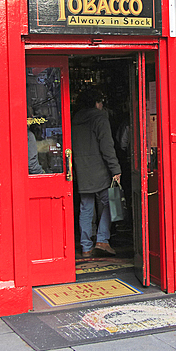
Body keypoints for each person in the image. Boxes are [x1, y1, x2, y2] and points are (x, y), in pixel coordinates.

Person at [71, 87, 122, 258]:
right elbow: (107, 146)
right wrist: (115, 169)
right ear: (96, 102)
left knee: (85, 208)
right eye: (100, 102)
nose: (102, 105)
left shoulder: (75, 119)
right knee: (109, 204)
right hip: (100, 170)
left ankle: (86, 246)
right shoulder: (99, 118)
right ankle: (102, 239)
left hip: (82, 169)